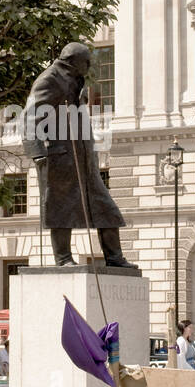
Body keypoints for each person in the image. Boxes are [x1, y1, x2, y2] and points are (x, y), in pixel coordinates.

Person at [22, 42, 133, 267]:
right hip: (60, 158)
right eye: (87, 61)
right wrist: (37, 153)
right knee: (60, 209)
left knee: (107, 210)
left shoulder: (75, 80)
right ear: (72, 60)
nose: (90, 65)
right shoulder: (49, 79)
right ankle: (63, 259)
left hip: (84, 160)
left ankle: (115, 258)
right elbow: (29, 118)